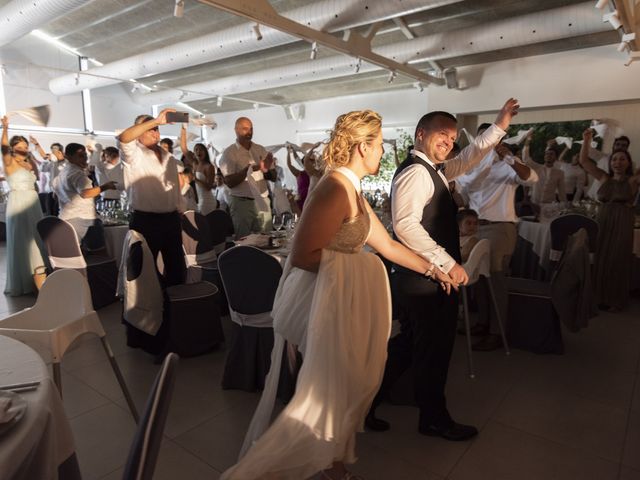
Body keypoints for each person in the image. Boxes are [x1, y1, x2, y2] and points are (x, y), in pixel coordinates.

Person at [220, 110, 456, 480]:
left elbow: (388, 246)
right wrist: (359, 269)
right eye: (379, 146)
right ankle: (315, 467)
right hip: (324, 304)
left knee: (338, 391)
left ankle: (335, 466)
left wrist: (434, 269)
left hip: (337, 302)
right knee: (328, 393)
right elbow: (302, 255)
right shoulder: (334, 188)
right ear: (363, 147)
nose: (382, 153)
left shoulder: (353, 189)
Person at [367, 98, 520, 441]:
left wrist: (500, 125)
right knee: (433, 351)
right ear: (421, 134)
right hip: (424, 279)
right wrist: (448, 263)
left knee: (408, 346)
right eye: (442, 135)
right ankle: (433, 419)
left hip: (419, 277)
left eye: (452, 138)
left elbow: (469, 157)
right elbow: (405, 226)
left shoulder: (434, 169)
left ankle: (368, 404)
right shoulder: (416, 173)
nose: (449, 143)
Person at [455, 140, 537, 350]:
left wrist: (509, 157)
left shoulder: (507, 164)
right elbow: (462, 199)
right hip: (474, 228)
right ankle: (483, 322)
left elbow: (532, 178)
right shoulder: (470, 168)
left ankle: (497, 332)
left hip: (500, 228)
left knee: (495, 279)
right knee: (479, 278)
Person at [117, 109, 186, 287]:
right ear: (139, 132)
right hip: (145, 219)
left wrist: (180, 209)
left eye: (156, 129)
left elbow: (175, 188)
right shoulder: (134, 154)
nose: (155, 132)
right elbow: (124, 138)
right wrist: (155, 120)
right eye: (150, 129)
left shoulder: (168, 157)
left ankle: (174, 306)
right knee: (143, 269)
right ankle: (145, 309)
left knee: (176, 266)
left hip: (170, 218)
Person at [579, 128, 639, 312]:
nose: (617, 162)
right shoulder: (604, 178)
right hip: (604, 218)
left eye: (622, 159)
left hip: (623, 220)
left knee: (617, 259)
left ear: (628, 162)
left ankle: (615, 299)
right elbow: (584, 161)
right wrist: (586, 140)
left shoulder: (633, 180)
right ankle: (600, 297)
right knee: (602, 257)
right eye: (614, 159)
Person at [1, 115, 46, 296]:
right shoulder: (9, 163)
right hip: (18, 203)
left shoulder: (29, 164)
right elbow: (3, 148)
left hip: (33, 202)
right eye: (19, 147)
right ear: (12, 148)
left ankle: (40, 276)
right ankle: (34, 280)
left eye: (25, 147)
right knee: (24, 242)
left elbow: (36, 180)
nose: (23, 150)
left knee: (36, 239)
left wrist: (34, 149)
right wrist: (5, 128)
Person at [219, 117, 277, 237]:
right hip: (241, 203)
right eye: (245, 129)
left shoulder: (260, 149)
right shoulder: (229, 153)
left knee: (266, 239)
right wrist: (246, 171)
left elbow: (274, 176)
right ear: (236, 130)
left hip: (262, 201)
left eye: (251, 129)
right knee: (244, 242)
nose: (249, 132)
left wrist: (266, 170)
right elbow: (229, 182)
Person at [53, 143, 117, 249]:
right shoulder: (77, 174)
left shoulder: (61, 174)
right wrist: (105, 187)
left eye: (85, 156)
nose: (85, 159)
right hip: (84, 219)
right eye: (80, 156)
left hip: (65, 219)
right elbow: (85, 193)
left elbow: (55, 196)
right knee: (99, 255)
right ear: (68, 157)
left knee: (77, 253)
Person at [180, 125, 217, 215]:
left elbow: (208, 187)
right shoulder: (195, 164)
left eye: (201, 150)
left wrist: (195, 179)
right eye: (196, 150)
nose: (198, 152)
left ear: (205, 152)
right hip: (200, 200)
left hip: (207, 201)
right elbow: (183, 148)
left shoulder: (209, 166)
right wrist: (183, 129)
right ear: (194, 153)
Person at [586, 135, 631, 200]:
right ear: (613, 146)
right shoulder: (602, 157)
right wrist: (588, 138)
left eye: (623, 145)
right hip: (594, 197)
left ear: (627, 148)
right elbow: (588, 152)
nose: (620, 147)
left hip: (613, 200)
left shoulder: (628, 164)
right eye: (617, 144)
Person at [523, 138, 566, 207]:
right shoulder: (537, 167)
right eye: (547, 154)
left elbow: (562, 191)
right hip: (534, 204)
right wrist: (527, 141)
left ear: (555, 157)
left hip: (549, 205)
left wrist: (564, 204)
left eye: (551, 154)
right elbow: (526, 159)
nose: (548, 155)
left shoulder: (559, 173)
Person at [286, 142, 323, 211]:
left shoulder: (316, 172)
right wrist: (289, 152)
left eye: (313, 161)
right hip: (302, 201)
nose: (312, 162)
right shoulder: (300, 173)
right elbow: (290, 164)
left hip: (313, 199)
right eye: (311, 161)